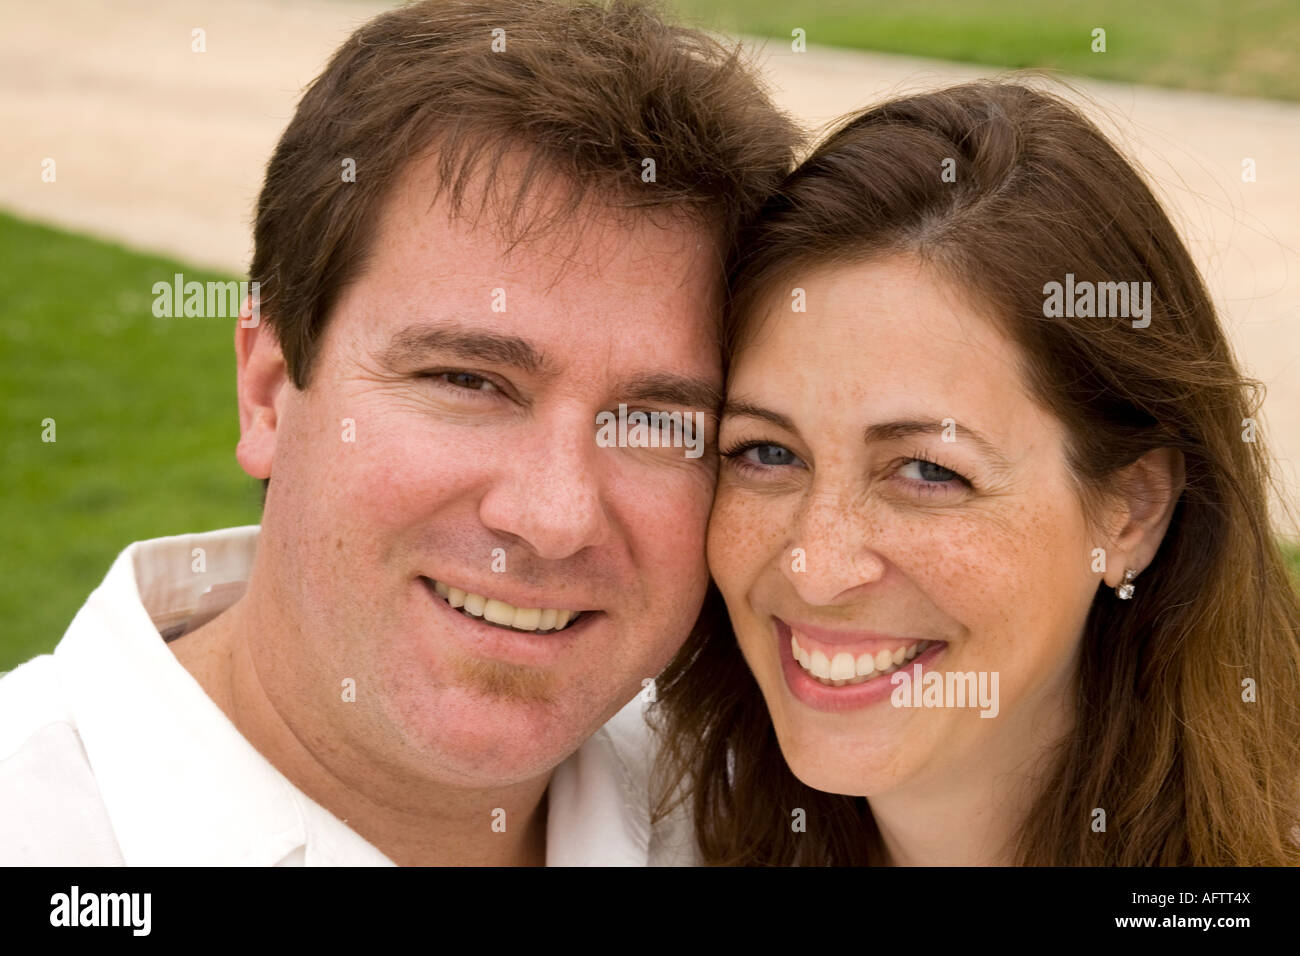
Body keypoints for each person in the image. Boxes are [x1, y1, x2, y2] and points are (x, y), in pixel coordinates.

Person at [0, 0, 797, 865]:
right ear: (268, 390)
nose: (554, 516)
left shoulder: (773, 818)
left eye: (652, 422)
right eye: (468, 381)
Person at [651, 80, 1300, 866]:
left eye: (927, 470)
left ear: (1132, 510)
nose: (816, 569)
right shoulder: (655, 825)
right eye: (767, 453)